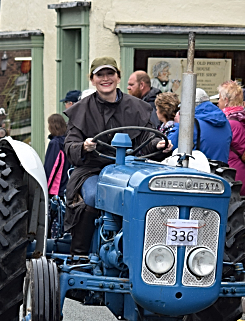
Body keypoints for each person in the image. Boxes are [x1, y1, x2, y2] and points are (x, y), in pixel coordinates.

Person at [64, 57, 172, 254]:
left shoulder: (137, 107)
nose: (106, 79)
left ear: (118, 77)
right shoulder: (81, 110)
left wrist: (159, 143)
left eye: (110, 74)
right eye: (100, 75)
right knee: (93, 196)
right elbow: (70, 145)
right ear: (92, 79)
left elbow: (147, 136)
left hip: (130, 169)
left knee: (152, 194)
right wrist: (84, 146)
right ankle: (79, 254)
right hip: (93, 169)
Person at [168, 88, 232, 164]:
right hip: (220, 172)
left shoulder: (190, 125)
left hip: (198, 173)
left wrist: (179, 124)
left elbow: (169, 145)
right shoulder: (225, 122)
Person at [216, 81, 245, 197]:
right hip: (244, 177)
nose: (218, 102)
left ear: (226, 100)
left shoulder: (229, 124)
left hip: (230, 179)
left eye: (220, 98)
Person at [44, 114, 69, 197]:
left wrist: (45, 186)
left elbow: (51, 166)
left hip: (56, 188)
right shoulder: (68, 140)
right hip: (67, 184)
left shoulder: (55, 143)